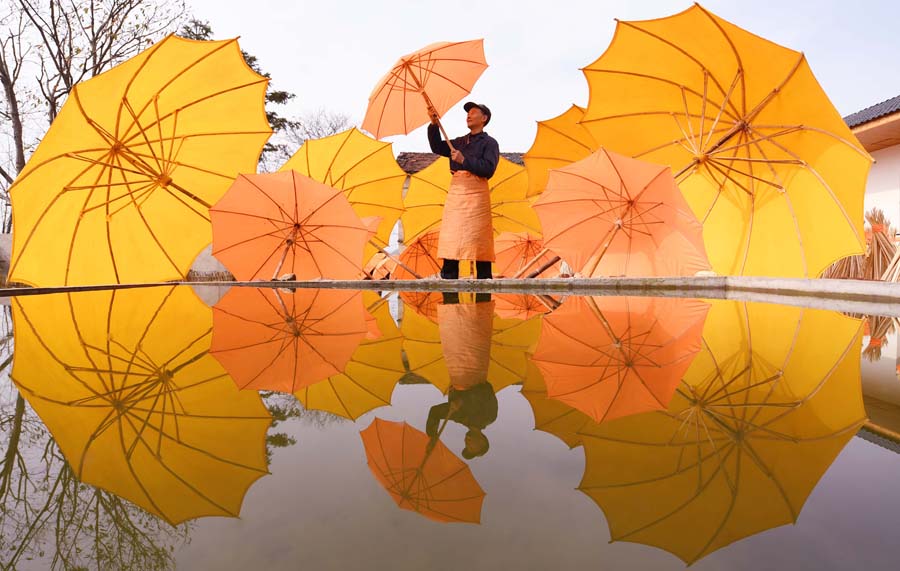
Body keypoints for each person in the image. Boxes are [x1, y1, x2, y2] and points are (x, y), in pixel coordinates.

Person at [427, 102, 500, 280]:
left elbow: (488, 169)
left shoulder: (490, 143)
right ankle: (449, 283)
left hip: (477, 195)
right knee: (452, 238)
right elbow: (437, 146)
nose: (469, 115)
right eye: (468, 112)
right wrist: (434, 125)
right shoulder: (459, 142)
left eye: (473, 112)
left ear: (484, 118)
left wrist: (463, 159)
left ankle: (484, 287)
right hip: (457, 194)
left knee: (479, 240)